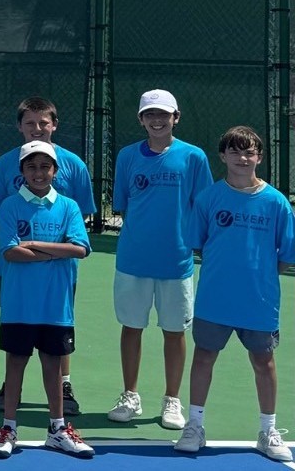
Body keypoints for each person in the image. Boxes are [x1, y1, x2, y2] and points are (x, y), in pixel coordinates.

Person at [174, 126, 295, 462]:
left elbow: (286, 255)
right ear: (223, 156)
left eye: (250, 152)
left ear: (259, 157)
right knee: (204, 357)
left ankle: (268, 430)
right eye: (235, 152)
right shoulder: (209, 198)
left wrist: (257, 278)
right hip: (215, 298)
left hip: (259, 301)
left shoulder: (276, 202)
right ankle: (194, 426)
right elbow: (197, 244)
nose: (243, 158)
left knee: (264, 362)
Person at [106, 89, 209, 429]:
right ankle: (130, 395)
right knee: (131, 327)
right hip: (133, 260)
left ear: (175, 117)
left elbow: (202, 205)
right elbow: (122, 202)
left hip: (176, 262)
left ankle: (172, 400)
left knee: (174, 331)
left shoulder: (193, 157)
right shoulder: (126, 157)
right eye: (150, 114)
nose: (157, 120)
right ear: (141, 119)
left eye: (164, 114)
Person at [0, 97, 93, 414]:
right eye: (30, 122)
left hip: (60, 273)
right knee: (17, 326)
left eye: (43, 122)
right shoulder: (4, 165)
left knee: (57, 323)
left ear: (54, 125)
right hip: (14, 272)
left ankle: (64, 383)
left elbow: (79, 224)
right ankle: (11, 386)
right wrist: (31, 249)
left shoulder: (74, 165)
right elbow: (4, 221)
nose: (37, 128)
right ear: (20, 126)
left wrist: (39, 247)